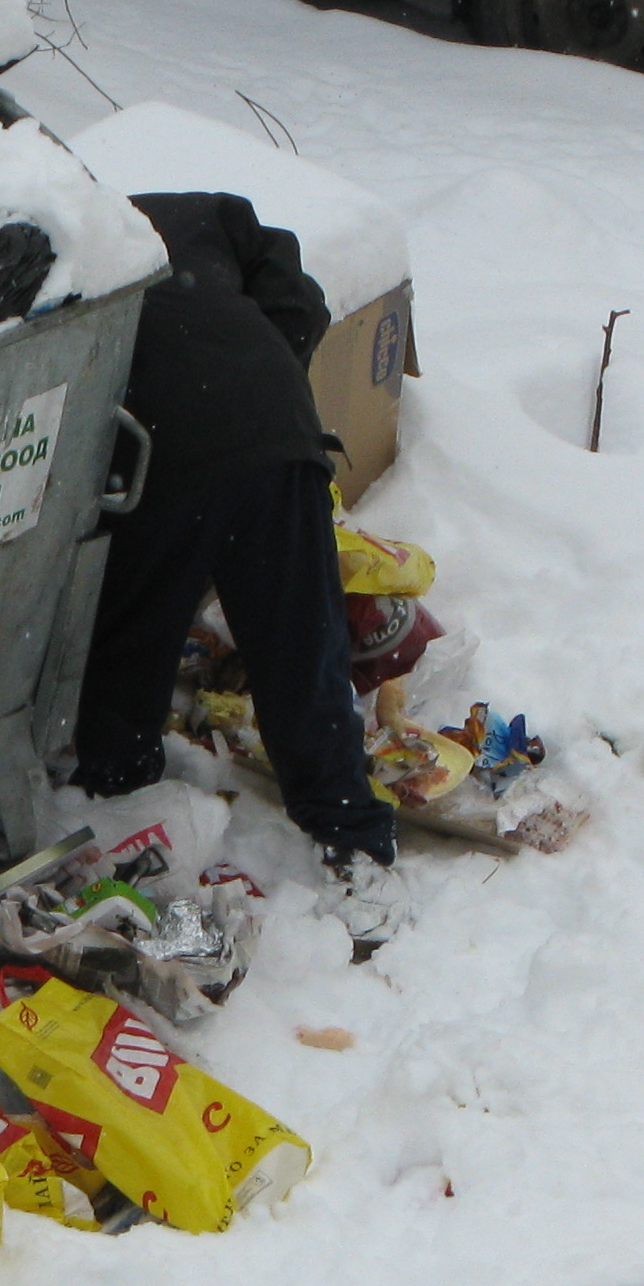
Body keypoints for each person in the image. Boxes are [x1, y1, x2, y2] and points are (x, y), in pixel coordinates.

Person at [72, 191, 405, 946]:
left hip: (162, 439)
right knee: (300, 642)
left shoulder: (65, 243)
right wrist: (265, 379)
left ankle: (119, 793)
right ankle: (352, 839)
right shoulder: (197, 211)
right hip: (274, 423)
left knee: (136, 630)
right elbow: (298, 296)